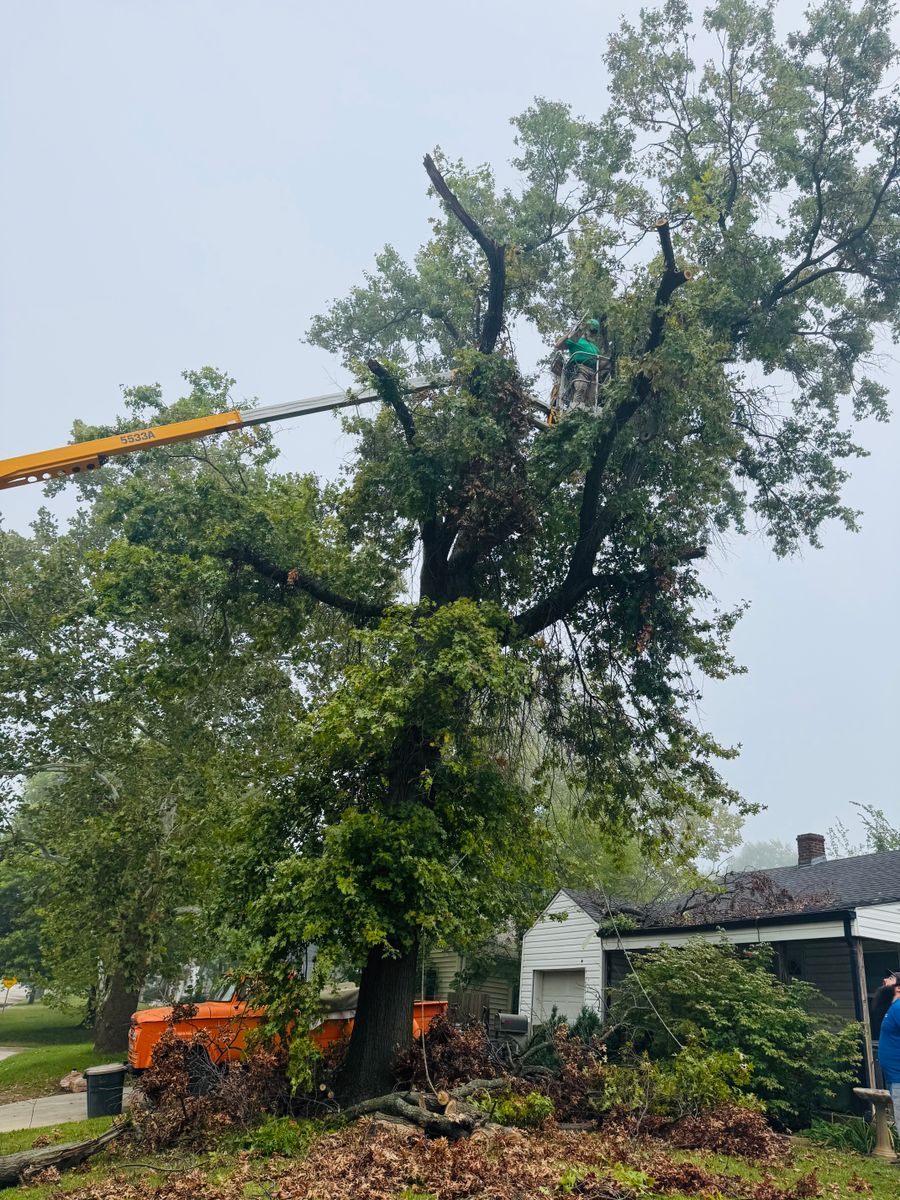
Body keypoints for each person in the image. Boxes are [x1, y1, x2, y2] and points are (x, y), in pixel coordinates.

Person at [555, 319, 602, 410]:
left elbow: (600, 362)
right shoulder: (576, 340)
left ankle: (587, 412)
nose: (592, 334)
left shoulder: (595, 348)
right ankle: (575, 408)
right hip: (580, 369)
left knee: (592, 396)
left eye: (594, 332)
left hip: (593, 374)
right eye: (591, 331)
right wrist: (570, 333)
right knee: (581, 387)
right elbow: (558, 345)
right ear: (586, 329)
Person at [878, 973, 900, 1142]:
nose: (885, 980)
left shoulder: (899, 1008)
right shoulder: (893, 1008)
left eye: (890, 978)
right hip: (894, 1077)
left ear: (898, 988)